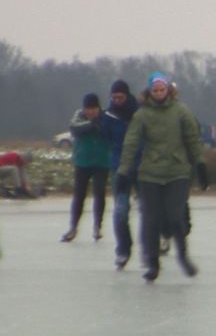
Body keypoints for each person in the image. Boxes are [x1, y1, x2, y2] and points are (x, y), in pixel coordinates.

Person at [117, 72, 208, 281]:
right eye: (155, 90)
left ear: (168, 90)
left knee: (174, 216)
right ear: (150, 92)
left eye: (162, 89)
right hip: (150, 174)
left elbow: (193, 139)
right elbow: (131, 143)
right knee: (151, 219)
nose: (159, 93)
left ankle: (183, 257)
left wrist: (200, 163)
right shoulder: (142, 115)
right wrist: (124, 171)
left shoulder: (181, 111)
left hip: (177, 172)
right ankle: (153, 264)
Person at [62, 93, 111, 242]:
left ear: (98, 108)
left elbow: (110, 131)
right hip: (82, 162)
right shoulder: (78, 116)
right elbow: (74, 128)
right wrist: (91, 124)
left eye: (93, 109)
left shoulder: (106, 117)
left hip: (102, 162)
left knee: (99, 193)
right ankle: (73, 227)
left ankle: (98, 227)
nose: (90, 112)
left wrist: (100, 124)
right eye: (88, 109)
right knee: (79, 195)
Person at [102, 79, 139, 268]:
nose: (117, 101)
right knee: (120, 212)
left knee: (149, 211)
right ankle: (123, 250)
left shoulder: (140, 113)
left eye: (120, 97)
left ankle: (153, 248)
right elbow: (107, 139)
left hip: (142, 168)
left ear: (127, 95)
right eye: (114, 97)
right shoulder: (108, 116)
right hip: (120, 169)